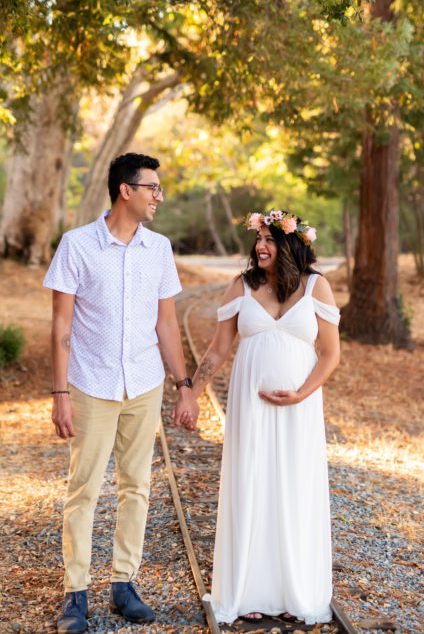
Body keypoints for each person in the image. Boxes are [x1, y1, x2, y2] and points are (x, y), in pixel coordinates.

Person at [44, 153, 199, 634]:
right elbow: (61, 323)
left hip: (144, 382)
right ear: (125, 191)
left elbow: (167, 322)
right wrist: (60, 392)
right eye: (152, 187)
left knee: (137, 486)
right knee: (84, 489)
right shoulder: (77, 245)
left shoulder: (159, 248)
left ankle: (123, 583)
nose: (159, 196)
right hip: (92, 383)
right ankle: (76, 594)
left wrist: (185, 385)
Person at [192, 209, 341, 625]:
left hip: (300, 408)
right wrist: (191, 392)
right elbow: (218, 351)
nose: (261, 246)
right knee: (251, 484)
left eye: (271, 240)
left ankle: (295, 591)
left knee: (293, 487)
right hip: (250, 405)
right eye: (259, 239)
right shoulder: (241, 286)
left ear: (291, 244)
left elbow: (331, 355)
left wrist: (301, 395)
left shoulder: (317, 287)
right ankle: (248, 591)